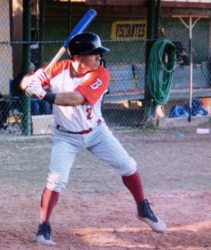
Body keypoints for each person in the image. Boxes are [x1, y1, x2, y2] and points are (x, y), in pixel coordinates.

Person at [21, 32, 166, 245]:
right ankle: (44, 228)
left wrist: (42, 94)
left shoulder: (101, 74)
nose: (99, 58)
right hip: (66, 136)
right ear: (78, 58)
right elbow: (25, 83)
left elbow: (76, 99)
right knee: (56, 180)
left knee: (128, 166)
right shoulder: (58, 69)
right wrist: (31, 81)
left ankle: (142, 208)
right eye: (94, 54)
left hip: (97, 132)